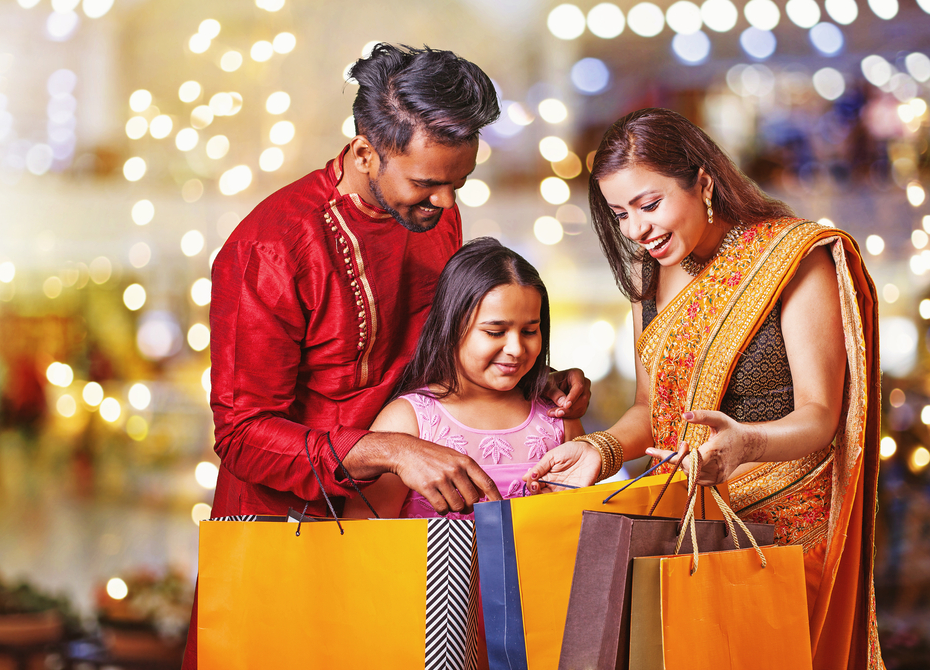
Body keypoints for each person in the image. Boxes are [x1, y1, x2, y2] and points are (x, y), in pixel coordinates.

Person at [183, 44, 590, 667]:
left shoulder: (430, 216)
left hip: (400, 527)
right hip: (288, 531)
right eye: (428, 183)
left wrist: (531, 381)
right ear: (365, 151)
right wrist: (392, 449)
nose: (447, 204)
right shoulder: (270, 247)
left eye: (458, 183)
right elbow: (241, 434)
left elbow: (436, 351)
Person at [525, 108, 884, 669]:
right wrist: (601, 448)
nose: (635, 230)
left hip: (781, 528)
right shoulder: (654, 279)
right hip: (684, 520)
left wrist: (744, 444)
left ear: (704, 184)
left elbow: (821, 414)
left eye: (649, 204)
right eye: (620, 214)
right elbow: (651, 408)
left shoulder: (793, 259)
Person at [344, 237, 584, 520]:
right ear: (451, 326)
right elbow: (364, 535)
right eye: (495, 332)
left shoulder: (557, 418)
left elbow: (581, 525)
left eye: (530, 331)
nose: (517, 349)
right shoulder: (409, 420)